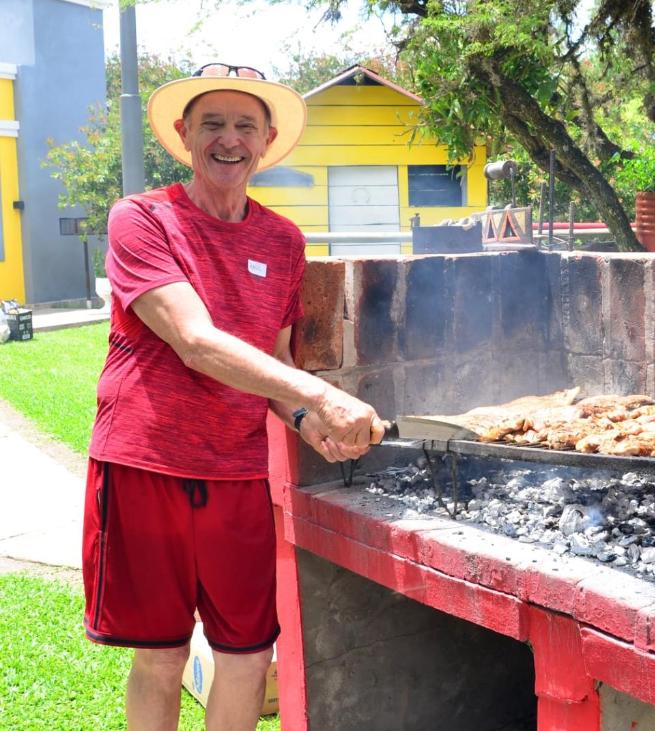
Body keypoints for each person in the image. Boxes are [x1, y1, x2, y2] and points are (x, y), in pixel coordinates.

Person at [82, 63, 384, 730]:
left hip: (237, 475)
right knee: (160, 661)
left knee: (247, 657)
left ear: (267, 139)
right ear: (185, 133)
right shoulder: (141, 218)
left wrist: (305, 417)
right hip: (147, 464)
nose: (229, 139)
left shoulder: (283, 241)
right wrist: (316, 391)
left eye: (245, 125)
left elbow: (272, 364)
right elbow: (195, 339)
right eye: (212, 123)